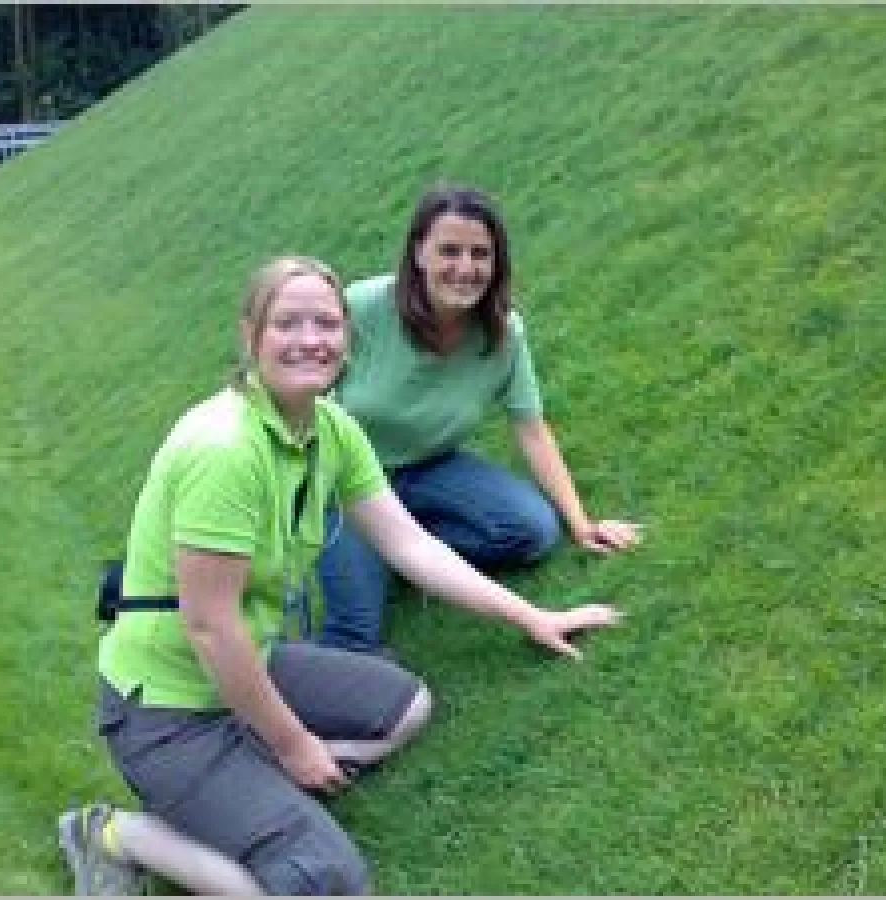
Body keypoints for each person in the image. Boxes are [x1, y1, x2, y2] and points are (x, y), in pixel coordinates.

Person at [58, 256, 620, 896]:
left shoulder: (329, 429)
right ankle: (112, 834)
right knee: (327, 884)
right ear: (250, 336)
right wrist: (294, 744)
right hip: (166, 712)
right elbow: (211, 627)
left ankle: (246, 775)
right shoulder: (224, 450)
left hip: (249, 667)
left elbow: (411, 546)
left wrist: (533, 617)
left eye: (327, 324)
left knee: (405, 707)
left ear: (348, 338)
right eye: (288, 323)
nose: (311, 340)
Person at [318, 185, 641, 653]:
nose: (466, 268)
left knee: (533, 531)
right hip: (347, 484)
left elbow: (532, 430)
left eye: (480, 254)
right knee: (356, 628)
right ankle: (386, 552)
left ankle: (405, 546)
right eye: (449, 251)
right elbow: (300, 394)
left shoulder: (503, 333)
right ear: (419, 253)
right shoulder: (363, 307)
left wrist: (582, 524)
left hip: (429, 467)